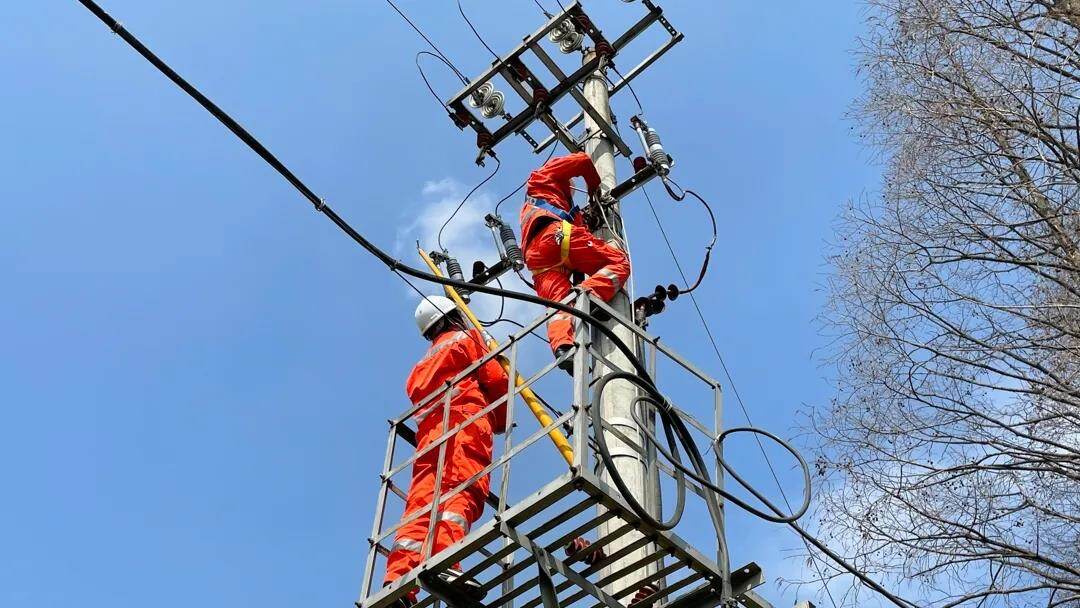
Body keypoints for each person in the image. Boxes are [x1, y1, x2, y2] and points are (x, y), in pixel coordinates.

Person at [384, 296, 509, 606]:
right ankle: (445, 562)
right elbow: (497, 382)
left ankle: (398, 582)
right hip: (464, 427)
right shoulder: (467, 338)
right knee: (462, 491)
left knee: (421, 504)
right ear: (451, 317)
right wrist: (501, 417)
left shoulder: (418, 369)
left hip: (429, 439)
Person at [519, 152, 631, 371]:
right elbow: (583, 160)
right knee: (619, 262)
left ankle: (564, 348)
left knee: (559, 305)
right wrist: (594, 190)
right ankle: (589, 299)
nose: (572, 187)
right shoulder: (542, 176)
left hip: (538, 260)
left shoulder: (559, 206)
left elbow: (582, 236)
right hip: (555, 235)